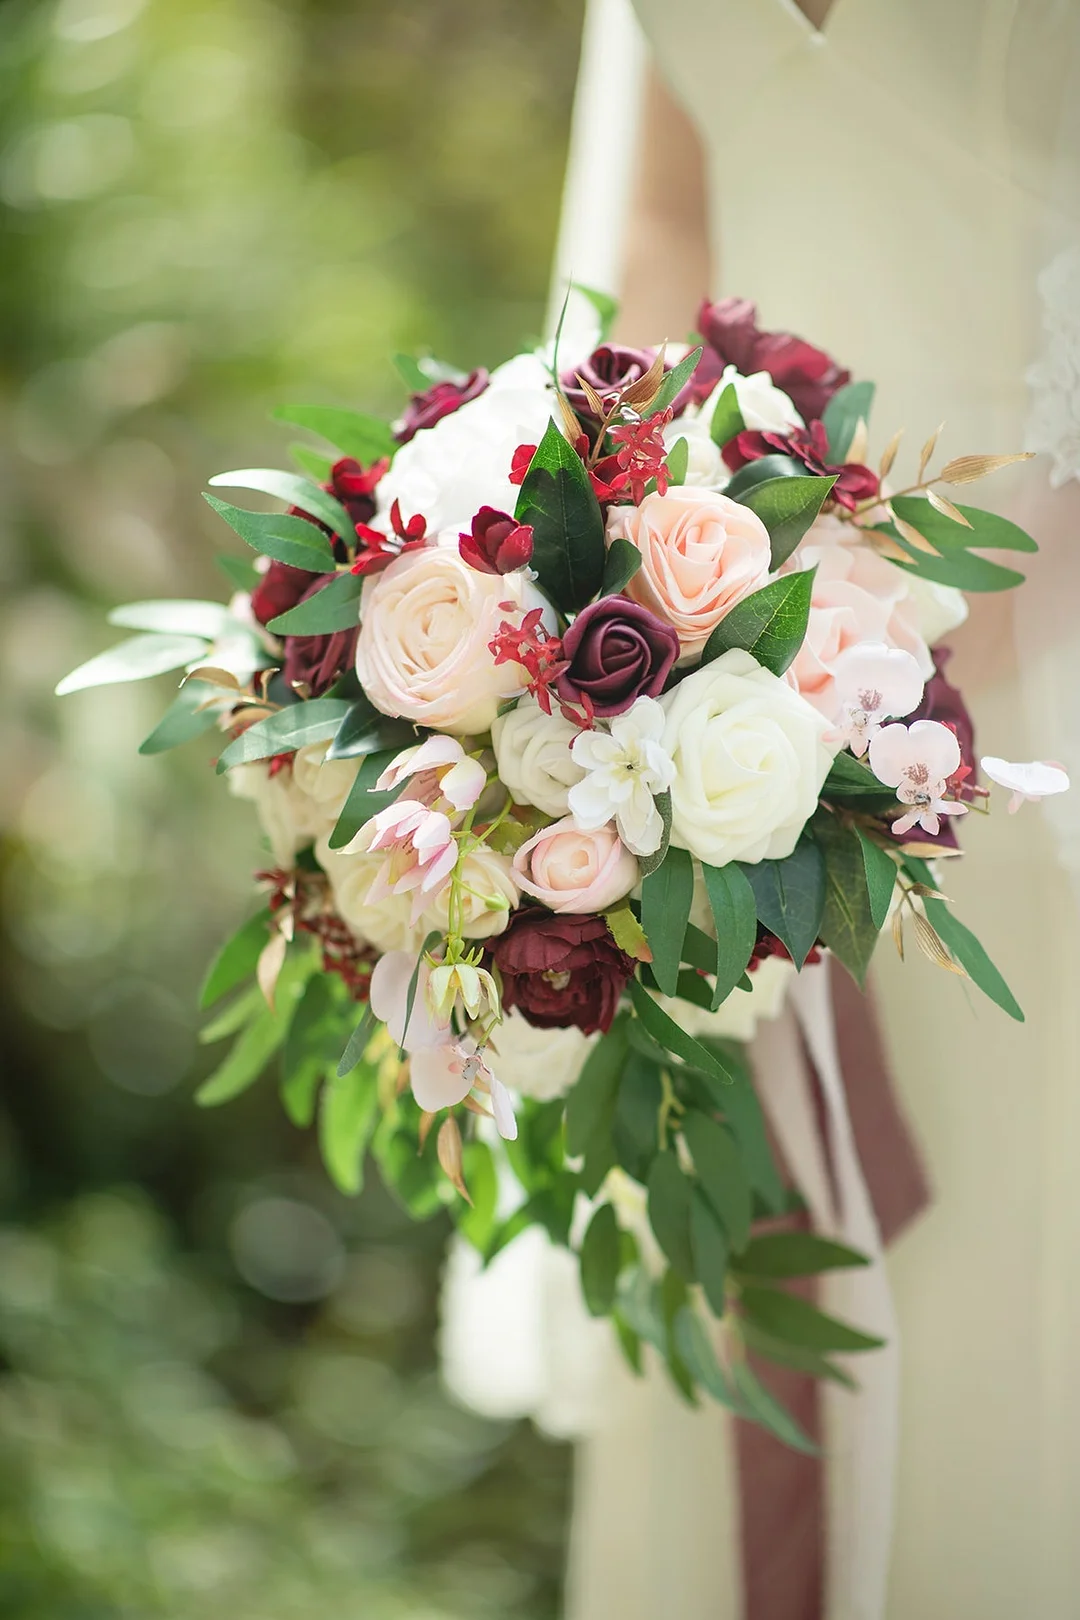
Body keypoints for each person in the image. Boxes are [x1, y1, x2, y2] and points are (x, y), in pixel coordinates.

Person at [554, 2, 1080, 1616]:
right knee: (753, 1239)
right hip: (727, 635)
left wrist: (971, 619)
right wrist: (613, 546)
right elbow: (664, 212)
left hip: (1021, 629)